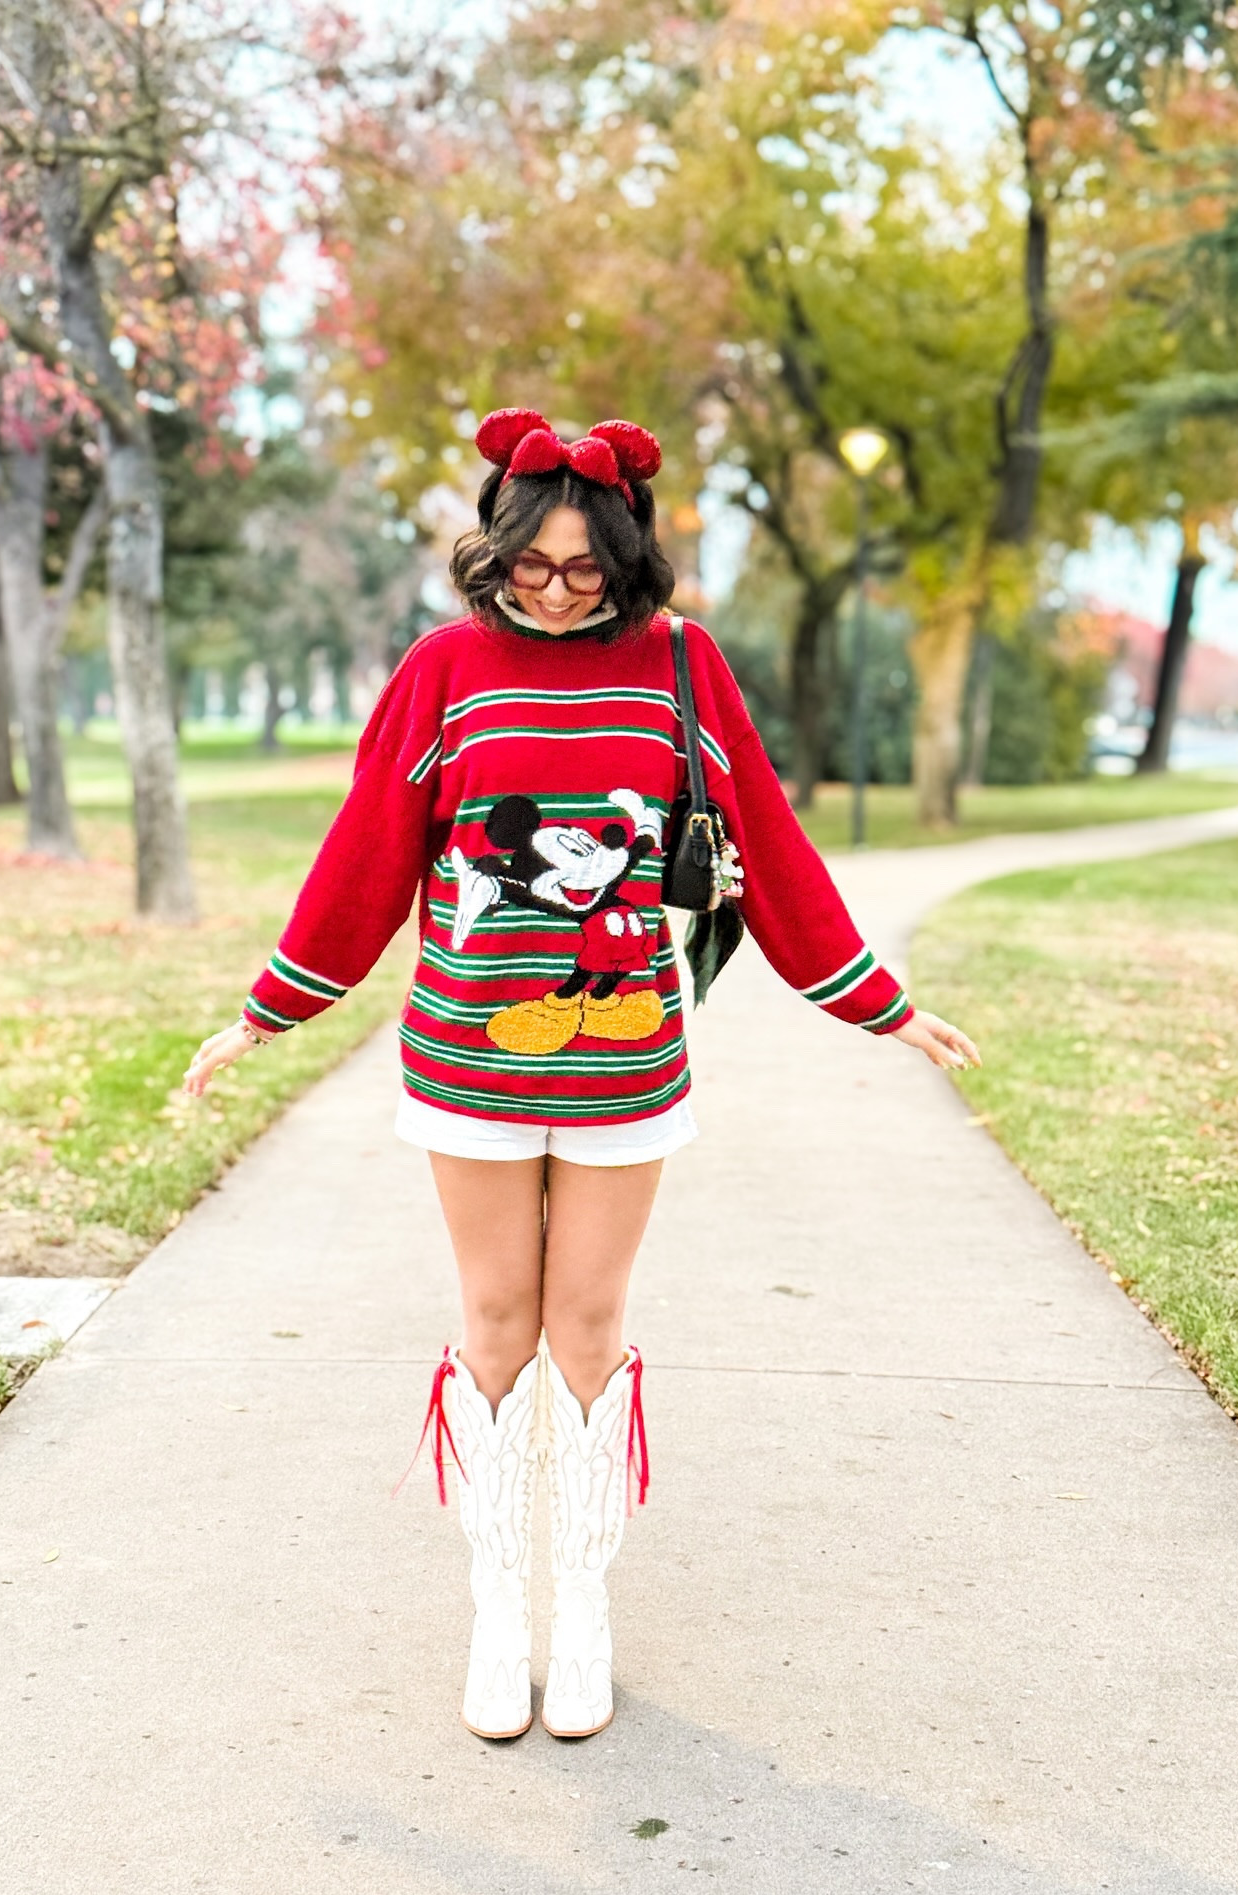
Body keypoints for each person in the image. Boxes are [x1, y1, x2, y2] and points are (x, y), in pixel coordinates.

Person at [183, 407, 980, 1744]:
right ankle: (504, 1612)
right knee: (496, 1324)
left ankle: (584, 1605)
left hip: (626, 1061)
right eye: (533, 564)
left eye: (583, 568)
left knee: (588, 1331)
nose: (555, 589)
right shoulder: (444, 670)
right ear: (496, 550)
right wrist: (263, 1015)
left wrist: (877, 1000)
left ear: (627, 558)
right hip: (466, 1055)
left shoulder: (681, 668)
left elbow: (768, 840)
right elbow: (369, 853)